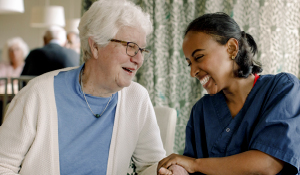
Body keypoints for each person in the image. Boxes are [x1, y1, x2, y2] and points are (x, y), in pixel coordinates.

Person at [0, 1, 168, 175]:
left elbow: (149, 164)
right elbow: (3, 164)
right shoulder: (38, 94)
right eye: (131, 47)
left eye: (141, 50)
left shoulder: (137, 97)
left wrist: (165, 170)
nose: (139, 59)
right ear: (95, 46)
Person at [158, 12, 300, 175]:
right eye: (189, 63)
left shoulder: (283, 89)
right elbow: (190, 167)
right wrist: (178, 170)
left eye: (199, 57)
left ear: (232, 48)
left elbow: (268, 164)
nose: (193, 72)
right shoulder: (201, 110)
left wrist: (195, 164)